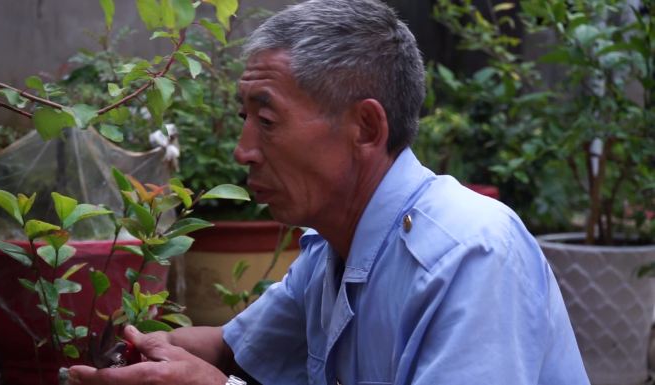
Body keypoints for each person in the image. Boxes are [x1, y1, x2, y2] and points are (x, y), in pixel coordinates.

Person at [69, 0, 590, 384]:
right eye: (242, 118)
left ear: (365, 127)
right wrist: (145, 352)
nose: (242, 150)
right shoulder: (333, 249)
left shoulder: (469, 254)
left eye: (266, 120)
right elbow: (234, 349)